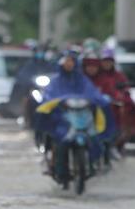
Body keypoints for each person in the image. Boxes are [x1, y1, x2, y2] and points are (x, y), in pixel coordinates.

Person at [36, 50, 113, 180]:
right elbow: (48, 96)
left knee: (96, 137)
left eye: (71, 61)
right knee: (58, 139)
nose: (69, 64)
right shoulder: (56, 81)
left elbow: (93, 93)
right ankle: (58, 169)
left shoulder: (82, 80)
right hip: (62, 118)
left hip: (82, 116)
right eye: (66, 61)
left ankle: (95, 163)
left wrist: (101, 99)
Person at [92, 48, 135, 148]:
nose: (107, 64)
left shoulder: (119, 75)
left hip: (116, 104)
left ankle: (125, 135)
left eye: (109, 61)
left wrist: (121, 94)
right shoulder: (97, 75)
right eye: (104, 61)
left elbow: (125, 89)